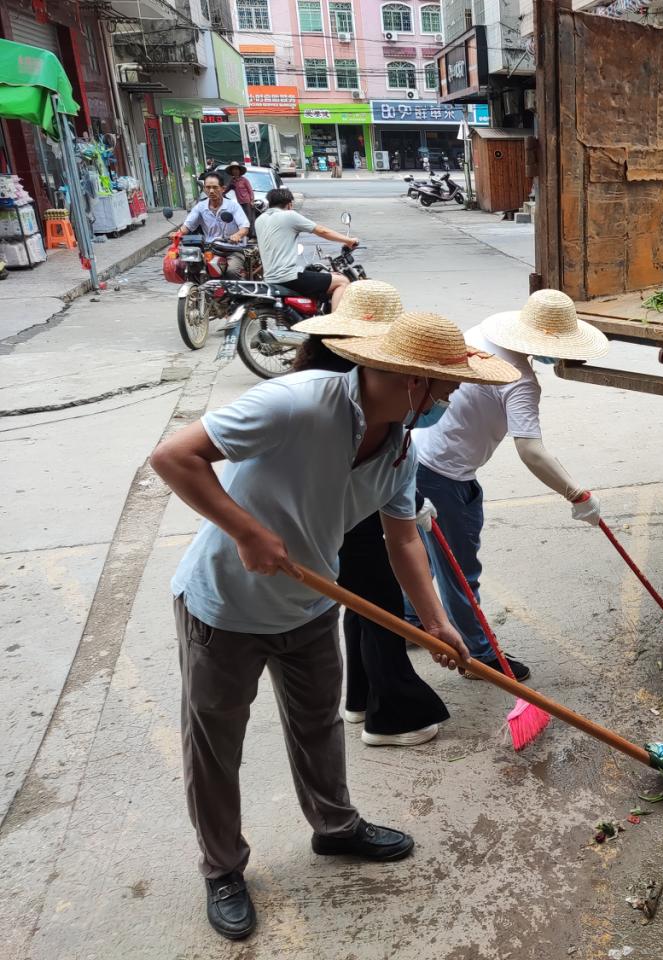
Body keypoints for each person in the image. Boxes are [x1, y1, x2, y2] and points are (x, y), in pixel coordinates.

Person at [150, 310, 518, 941]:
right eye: (446, 389)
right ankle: (222, 868)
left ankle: (335, 826)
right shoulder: (299, 403)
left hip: (312, 607)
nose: (450, 401)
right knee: (215, 747)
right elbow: (173, 456)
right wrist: (247, 530)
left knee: (319, 725)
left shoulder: (400, 442)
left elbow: (403, 540)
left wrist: (435, 625)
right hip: (225, 609)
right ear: (410, 382)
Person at [413, 289, 610, 680]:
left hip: (415, 457)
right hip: (446, 474)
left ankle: (409, 618)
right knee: (459, 570)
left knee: (418, 546)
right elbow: (531, 451)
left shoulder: (478, 334)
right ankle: (480, 657)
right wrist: (577, 494)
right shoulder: (519, 380)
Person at [293, 281, 451, 747]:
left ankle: (360, 698)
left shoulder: (375, 404)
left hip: (350, 521)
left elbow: (399, 527)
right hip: (329, 533)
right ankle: (392, 712)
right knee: (378, 603)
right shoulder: (321, 397)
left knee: (364, 601)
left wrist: (403, 495)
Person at [255, 187, 358, 311]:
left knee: (323, 278)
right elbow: (321, 231)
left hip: (270, 277)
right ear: (289, 204)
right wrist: (348, 241)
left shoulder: (259, 220)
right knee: (342, 281)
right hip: (289, 277)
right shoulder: (288, 215)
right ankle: (335, 325)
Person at [175, 173, 250, 277]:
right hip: (210, 249)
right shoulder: (200, 207)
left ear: (223, 189)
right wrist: (178, 233)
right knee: (192, 267)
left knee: (232, 271)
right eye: (208, 187)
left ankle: (240, 292)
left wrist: (238, 235)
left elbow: (244, 227)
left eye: (215, 187)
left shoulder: (233, 206)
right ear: (204, 189)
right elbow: (187, 225)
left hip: (232, 249)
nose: (211, 191)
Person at [224, 161, 256, 233]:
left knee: (249, 218)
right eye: (233, 170)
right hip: (239, 203)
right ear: (231, 171)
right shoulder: (232, 181)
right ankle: (244, 234)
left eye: (236, 169)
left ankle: (252, 235)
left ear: (239, 171)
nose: (235, 171)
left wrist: (252, 201)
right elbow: (225, 190)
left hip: (247, 202)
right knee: (241, 219)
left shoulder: (244, 180)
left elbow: (250, 191)